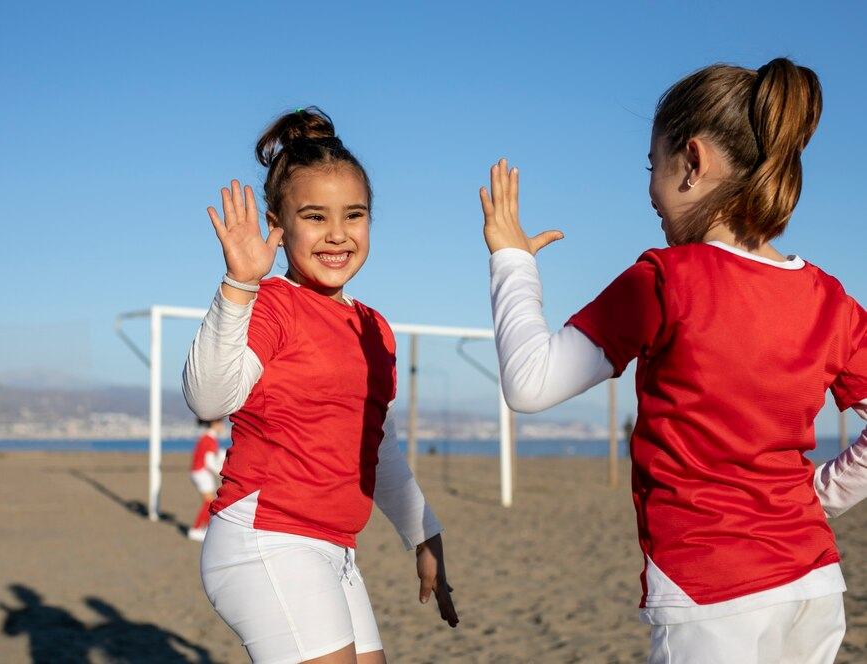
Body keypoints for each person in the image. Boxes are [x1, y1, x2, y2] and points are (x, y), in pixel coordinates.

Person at [481, 58, 867, 663]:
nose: (650, 192)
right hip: (814, 585)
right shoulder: (830, 299)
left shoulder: (665, 281)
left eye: (652, 167)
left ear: (692, 162)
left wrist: (510, 261)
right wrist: (820, 496)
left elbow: (529, 384)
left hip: (711, 590)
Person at [183, 106, 458, 664]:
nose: (338, 234)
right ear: (277, 227)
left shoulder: (374, 328)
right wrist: (239, 282)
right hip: (266, 539)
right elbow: (208, 398)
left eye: (354, 215)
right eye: (315, 216)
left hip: (335, 548)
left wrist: (424, 536)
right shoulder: (271, 305)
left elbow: (376, 448)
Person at [187, 418, 225, 542]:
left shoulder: (204, 437)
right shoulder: (210, 439)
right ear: (215, 424)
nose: (222, 426)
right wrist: (222, 471)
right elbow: (209, 463)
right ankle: (196, 529)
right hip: (201, 472)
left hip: (197, 471)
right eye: (220, 423)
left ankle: (203, 528)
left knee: (209, 502)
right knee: (209, 503)